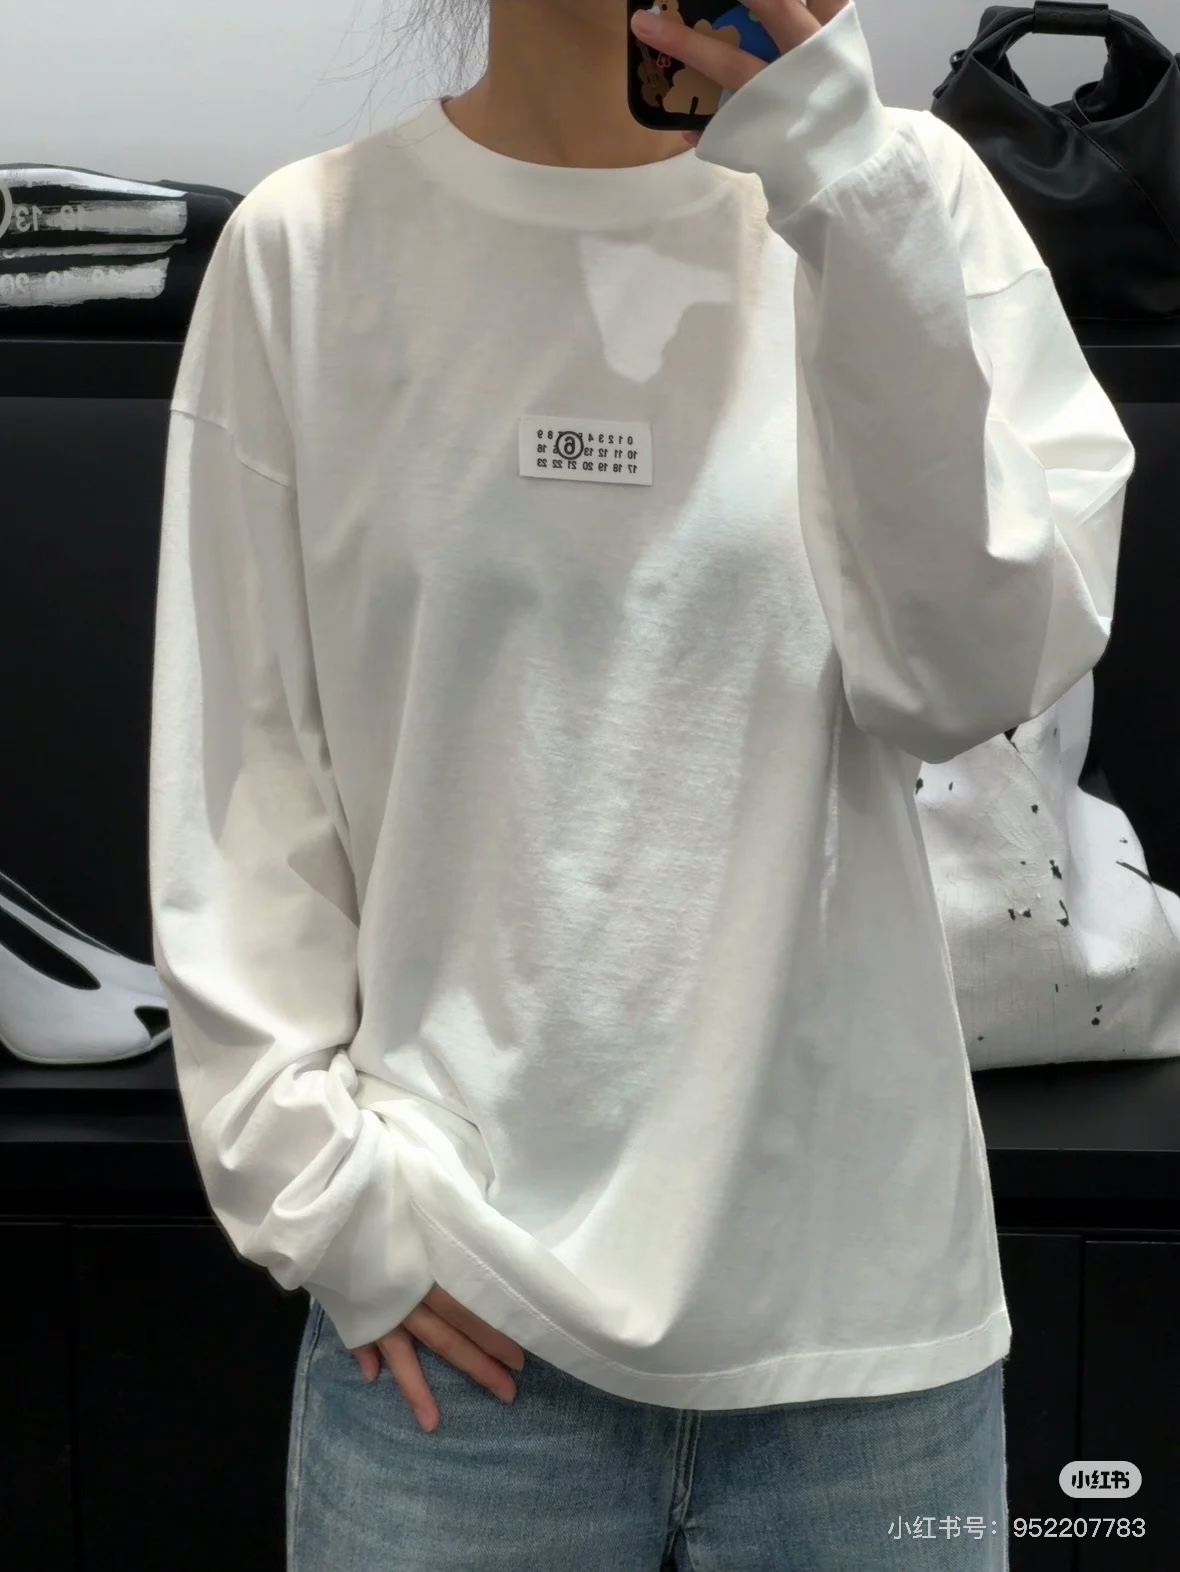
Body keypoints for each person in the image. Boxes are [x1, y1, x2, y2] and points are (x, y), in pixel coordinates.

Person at [147, 1, 1134, 1567]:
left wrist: (836, 178)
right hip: (458, 1337)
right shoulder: (310, 251)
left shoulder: (903, 194)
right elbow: (244, 788)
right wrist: (329, 1203)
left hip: (863, 1343)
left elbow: (967, 678)